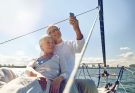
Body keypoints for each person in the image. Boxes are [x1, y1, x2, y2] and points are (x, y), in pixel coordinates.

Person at [47, 14, 98, 93]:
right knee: (69, 86)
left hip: (72, 80)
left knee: (90, 83)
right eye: (50, 32)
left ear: (59, 30)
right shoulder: (49, 49)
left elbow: (80, 48)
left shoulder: (69, 43)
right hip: (58, 82)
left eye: (55, 30)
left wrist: (76, 28)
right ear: (48, 36)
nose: (53, 33)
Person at [0, 35, 67, 93]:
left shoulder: (58, 57)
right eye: (48, 42)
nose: (51, 44)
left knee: (26, 86)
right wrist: (37, 74)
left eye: (52, 43)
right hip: (29, 77)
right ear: (41, 47)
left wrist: (59, 79)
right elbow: (28, 68)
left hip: (44, 82)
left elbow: (65, 72)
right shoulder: (35, 59)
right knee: (3, 70)